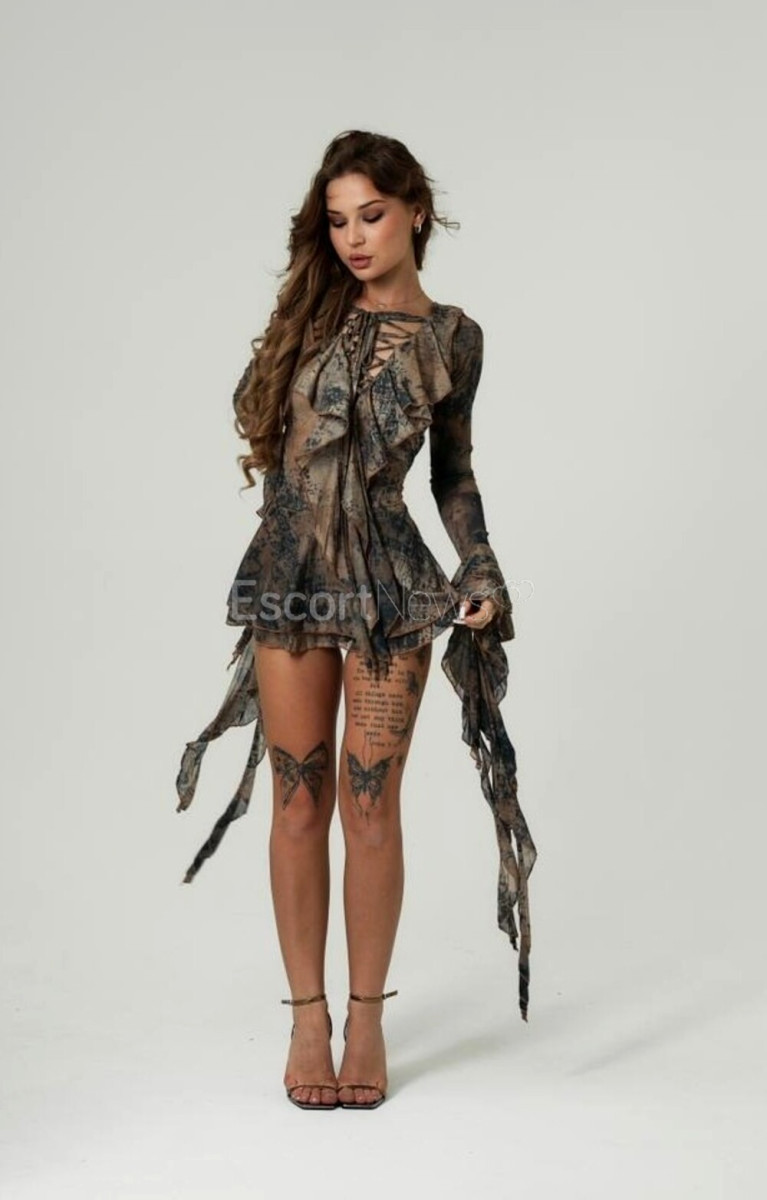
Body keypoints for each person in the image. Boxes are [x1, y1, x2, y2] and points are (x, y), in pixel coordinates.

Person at [174, 129, 537, 1111]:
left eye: (370, 215)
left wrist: (480, 564)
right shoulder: (312, 315)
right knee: (298, 802)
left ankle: (367, 1016)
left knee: (370, 802)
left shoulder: (454, 336)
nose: (353, 238)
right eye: (336, 221)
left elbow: (452, 472)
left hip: (389, 581)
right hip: (292, 574)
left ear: (416, 210)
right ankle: (307, 1017)